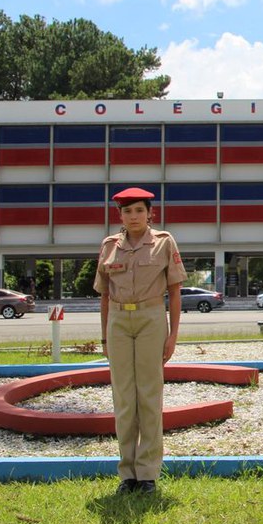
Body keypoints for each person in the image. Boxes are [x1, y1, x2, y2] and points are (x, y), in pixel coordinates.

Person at [94, 187, 187, 495]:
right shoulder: (109, 246)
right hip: (118, 321)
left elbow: (174, 291)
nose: (133, 216)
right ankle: (127, 473)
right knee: (123, 398)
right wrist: (104, 337)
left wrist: (173, 335)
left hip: (151, 318)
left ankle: (147, 473)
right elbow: (104, 295)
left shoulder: (164, 242)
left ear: (150, 213)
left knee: (149, 395)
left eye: (139, 210)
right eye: (127, 211)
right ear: (119, 215)